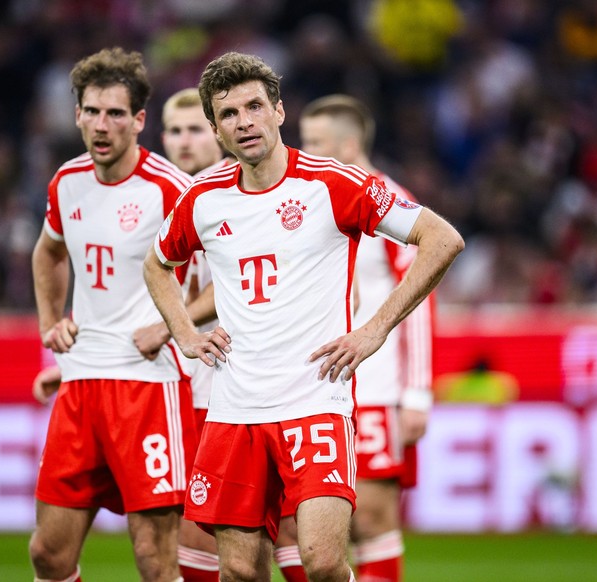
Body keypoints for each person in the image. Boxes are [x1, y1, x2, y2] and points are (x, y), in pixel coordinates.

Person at [143, 52, 464, 582]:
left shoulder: (334, 183)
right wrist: (184, 333)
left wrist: (373, 330)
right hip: (233, 408)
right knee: (240, 571)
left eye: (254, 106)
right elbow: (157, 265)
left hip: (314, 400)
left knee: (322, 559)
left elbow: (442, 238)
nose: (244, 121)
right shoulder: (202, 199)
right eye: (228, 114)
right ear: (217, 128)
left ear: (279, 112)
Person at [29, 47, 198, 582]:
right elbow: (48, 251)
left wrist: (173, 324)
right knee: (48, 555)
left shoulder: (170, 188)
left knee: (153, 558)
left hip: (147, 386)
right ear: (77, 113)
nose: (102, 125)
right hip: (81, 384)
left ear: (140, 120)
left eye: (116, 113)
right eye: (92, 111)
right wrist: (50, 322)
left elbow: (231, 276)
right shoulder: (67, 181)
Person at [275, 93, 436, 582]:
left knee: (370, 518)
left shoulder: (387, 198)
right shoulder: (310, 196)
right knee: (292, 524)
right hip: (312, 386)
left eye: (316, 143)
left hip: (376, 388)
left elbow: (420, 299)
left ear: (347, 144)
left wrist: (416, 394)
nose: (304, 151)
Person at [133, 87, 229, 581]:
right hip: (173, 374)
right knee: (171, 526)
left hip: (219, 371)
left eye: (195, 129)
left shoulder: (232, 191)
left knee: (214, 526)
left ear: (217, 132)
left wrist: (173, 325)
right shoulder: (164, 194)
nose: (184, 141)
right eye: (174, 130)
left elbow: (230, 286)